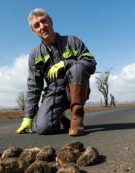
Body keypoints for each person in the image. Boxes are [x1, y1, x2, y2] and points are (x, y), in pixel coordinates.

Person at [16, 8, 97, 136]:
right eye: (37, 25)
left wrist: (66, 63)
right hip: (54, 92)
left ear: (51, 22)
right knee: (43, 128)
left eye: (44, 21)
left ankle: (77, 117)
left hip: (76, 89)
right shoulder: (34, 55)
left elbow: (91, 63)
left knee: (77, 67)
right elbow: (34, 86)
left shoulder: (73, 41)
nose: (42, 26)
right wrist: (28, 116)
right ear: (34, 31)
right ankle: (60, 117)